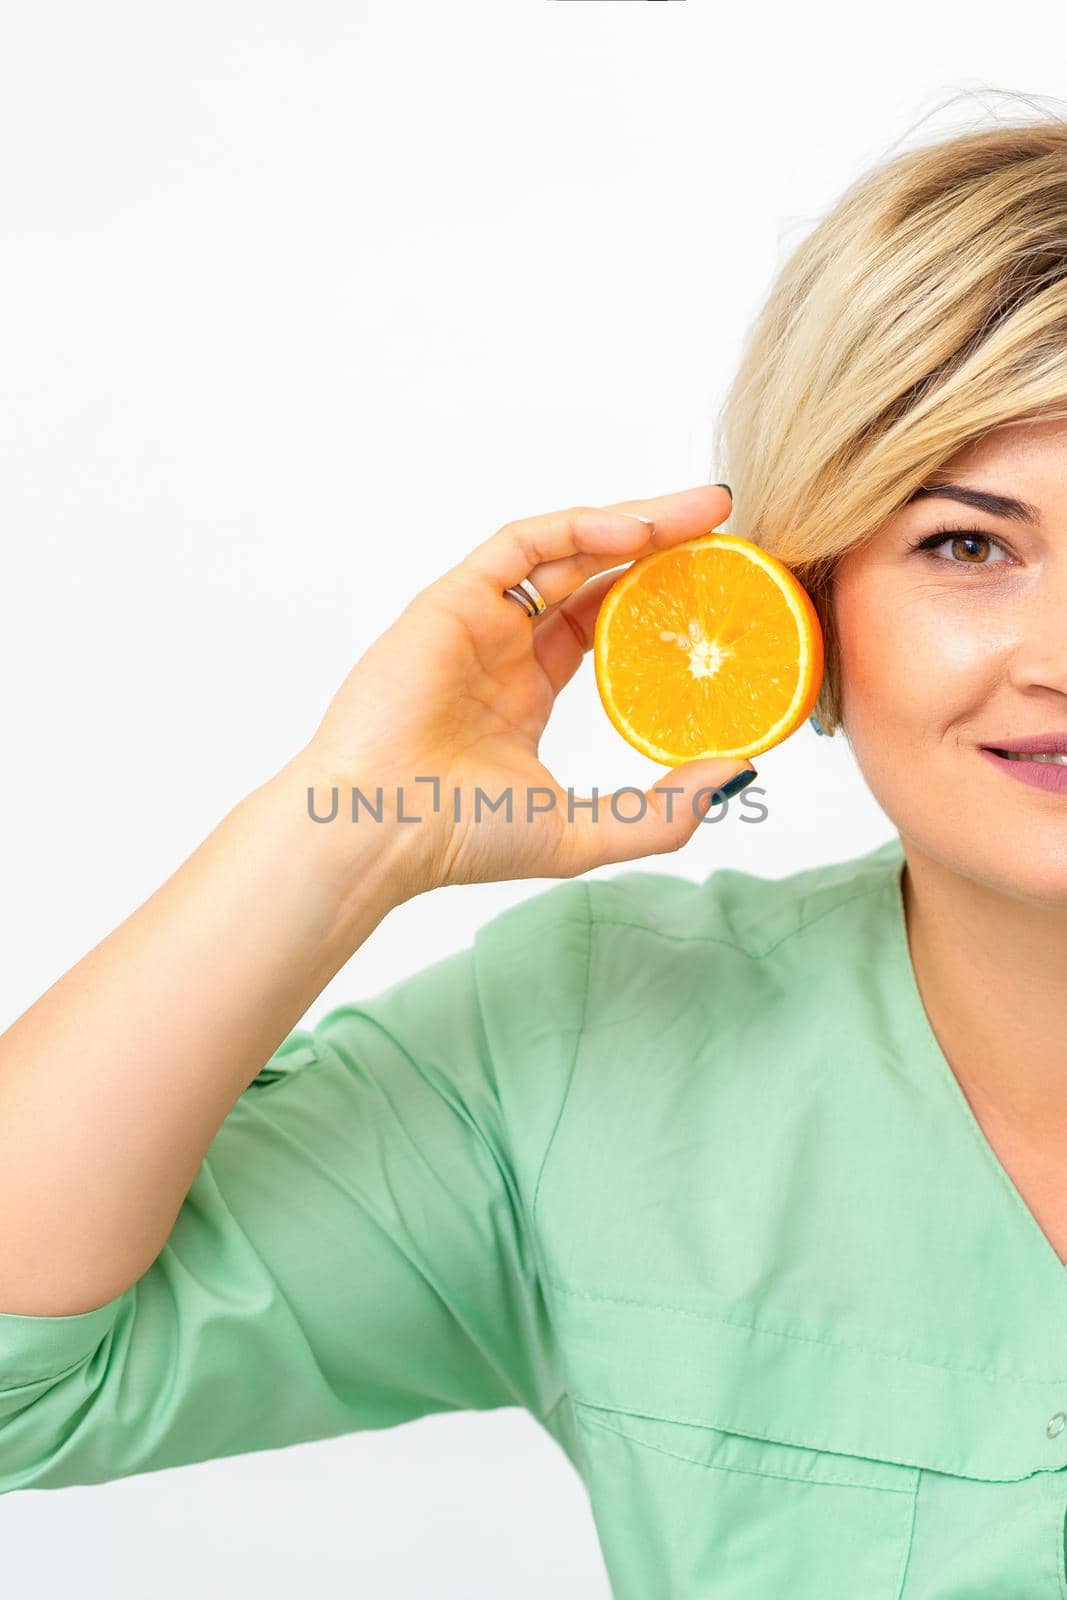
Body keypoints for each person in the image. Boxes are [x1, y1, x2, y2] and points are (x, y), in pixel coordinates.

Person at [4, 107, 1067, 1600]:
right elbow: (22, 1384)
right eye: (967, 544)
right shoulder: (590, 1049)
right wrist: (342, 830)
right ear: (809, 601)